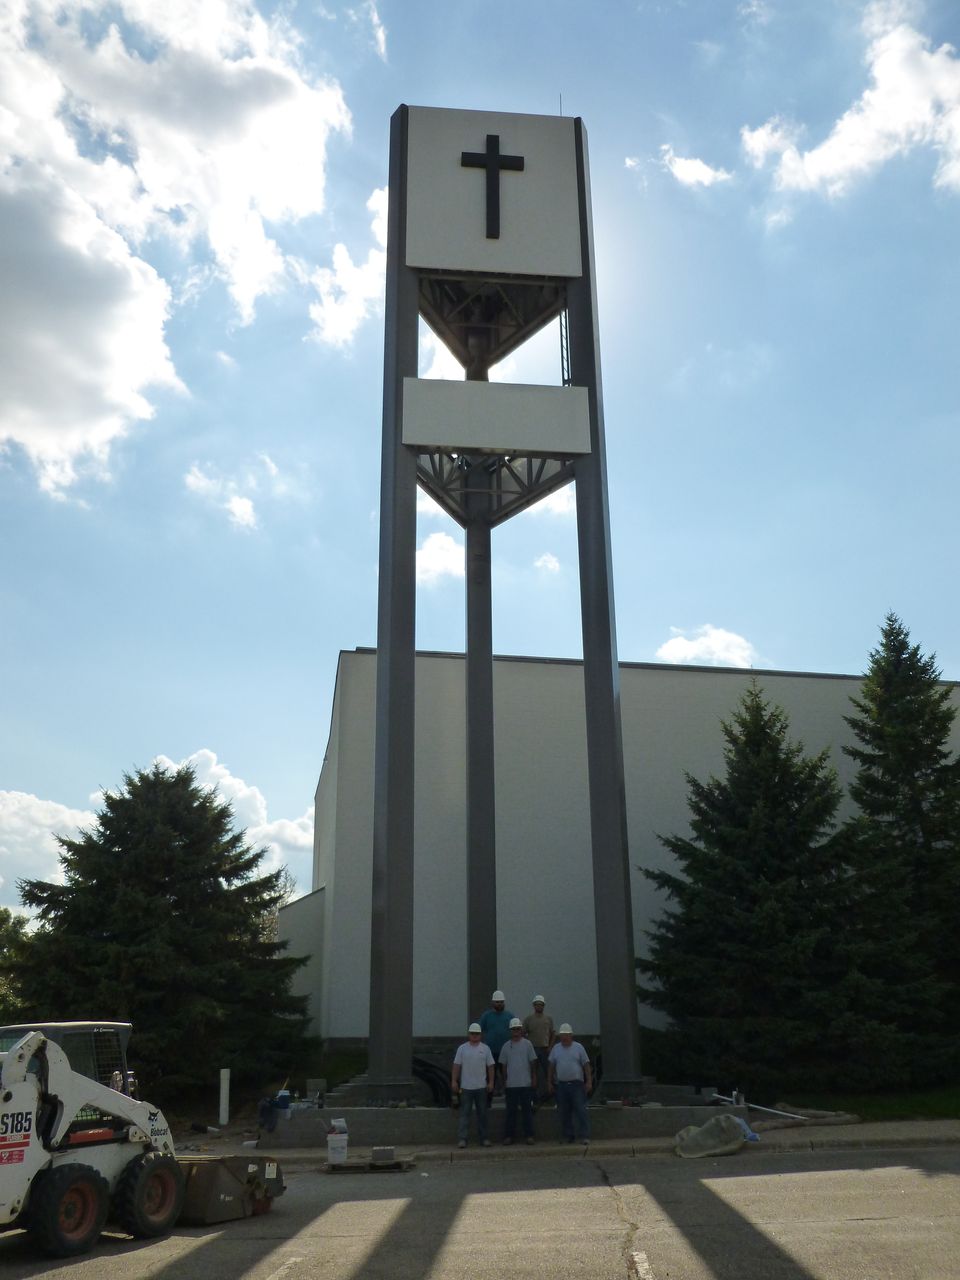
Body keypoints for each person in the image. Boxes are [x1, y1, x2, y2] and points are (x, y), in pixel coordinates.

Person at [547, 1023, 592, 1144]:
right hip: (561, 1085)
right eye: (562, 1035)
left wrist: (589, 1081)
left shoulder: (579, 1048)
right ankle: (568, 1135)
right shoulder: (556, 1048)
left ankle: (585, 1135)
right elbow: (551, 1067)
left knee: (581, 1110)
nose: (564, 1037)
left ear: (571, 1035)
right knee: (564, 1112)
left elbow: (586, 1065)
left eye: (566, 1035)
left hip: (577, 1085)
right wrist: (550, 1083)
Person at [451, 1022, 494, 1148]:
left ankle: (484, 1138)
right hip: (466, 1088)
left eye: (477, 1034)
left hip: (481, 1087)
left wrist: (491, 1082)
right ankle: (462, 1139)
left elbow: (491, 1066)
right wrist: (454, 1081)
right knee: (464, 1114)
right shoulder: (462, 1049)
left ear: (480, 1035)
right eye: (472, 1033)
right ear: (469, 1034)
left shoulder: (485, 1049)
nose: (475, 1036)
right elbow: (456, 1066)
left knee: (483, 1114)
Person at [498, 1017, 538, 1145]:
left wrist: (534, 1078)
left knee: (527, 1112)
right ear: (510, 1031)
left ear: (521, 1030)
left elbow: (532, 1063)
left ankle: (529, 1135)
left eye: (518, 1029)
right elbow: (503, 1066)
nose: (516, 1031)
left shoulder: (528, 1044)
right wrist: (504, 1081)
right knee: (511, 1113)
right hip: (511, 1085)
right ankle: (508, 1136)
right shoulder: (505, 1046)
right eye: (513, 1029)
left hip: (525, 1084)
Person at [479, 989, 514, 1091]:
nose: (499, 1004)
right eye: (497, 1002)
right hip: (490, 1052)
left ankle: (509, 1097)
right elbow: (480, 1030)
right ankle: (488, 1101)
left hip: (507, 1052)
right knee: (490, 1077)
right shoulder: (486, 1016)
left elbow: (516, 1031)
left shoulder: (510, 1016)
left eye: (501, 1002)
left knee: (507, 1076)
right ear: (493, 1002)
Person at [522, 994, 555, 1100]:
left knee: (549, 1072)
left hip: (545, 1049)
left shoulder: (548, 1019)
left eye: (541, 1005)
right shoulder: (528, 1019)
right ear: (534, 1005)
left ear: (543, 1006)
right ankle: (533, 1097)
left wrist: (550, 1047)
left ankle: (551, 1096)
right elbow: (522, 1033)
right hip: (533, 1050)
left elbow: (553, 1034)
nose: (539, 1006)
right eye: (537, 1004)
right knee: (533, 1073)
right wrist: (527, 1047)